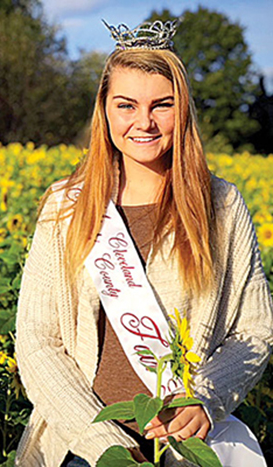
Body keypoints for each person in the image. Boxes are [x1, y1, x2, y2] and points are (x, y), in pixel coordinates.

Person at [14, 18, 273, 467]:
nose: (144, 122)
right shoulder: (65, 205)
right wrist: (106, 448)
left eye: (162, 105)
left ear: (184, 109)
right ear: (106, 111)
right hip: (83, 443)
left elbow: (255, 330)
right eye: (126, 105)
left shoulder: (222, 206)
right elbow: (37, 342)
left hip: (188, 446)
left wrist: (204, 399)